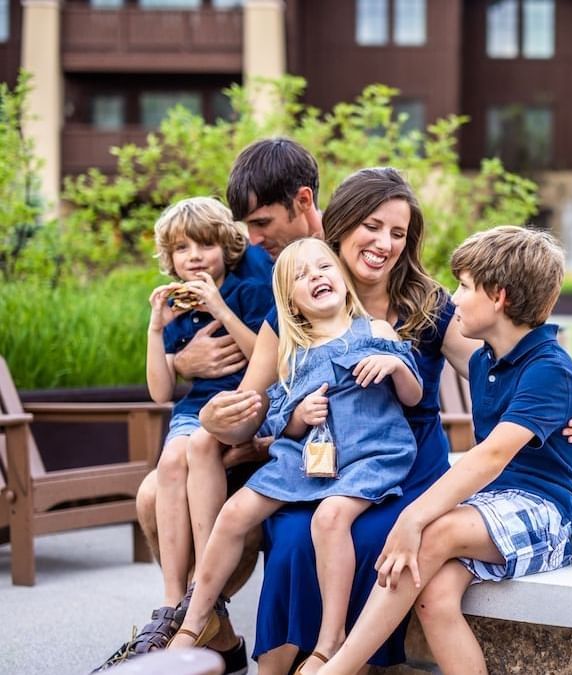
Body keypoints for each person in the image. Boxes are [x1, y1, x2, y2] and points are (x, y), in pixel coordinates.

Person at [199, 167, 572, 673]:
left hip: (403, 470)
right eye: (372, 226)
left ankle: (347, 660)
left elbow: (519, 363)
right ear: (343, 226)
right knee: (292, 541)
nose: (384, 243)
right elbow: (253, 408)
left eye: (398, 233)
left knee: (381, 537)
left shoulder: (432, 305)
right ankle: (288, 658)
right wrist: (225, 421)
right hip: (316, 468)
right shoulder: (299, 304)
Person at [315, 226, 572, 675]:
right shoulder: (486, 359)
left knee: (431, 532)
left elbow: (491, 456)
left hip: (551, 512)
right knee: (434, 599)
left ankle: (337, 667)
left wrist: (412, 517)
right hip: (496, 504)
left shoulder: (548, 367)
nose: (454, 298)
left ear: (498, 296)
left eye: (464, 286)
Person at [98, 138, 324, 673]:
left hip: (279, 430)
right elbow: (170, 384)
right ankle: (189, 613)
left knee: (188, 469)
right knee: (154, 488)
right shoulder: (194, 294)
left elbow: (264, 364)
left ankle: (196, 611)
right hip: (220, 417)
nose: (253, 238)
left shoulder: (278, 274)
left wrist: (251, 425)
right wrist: (177, 358)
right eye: (181, 251)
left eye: (261, 223)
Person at [170, 238, 424, 675]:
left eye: (323, 267)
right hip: (308, 456)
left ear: (343, 281)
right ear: (291, 300)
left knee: (329, 519)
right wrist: (298, 419)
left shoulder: (376, 331)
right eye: (302, 276)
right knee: (234, 513)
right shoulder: (292, 353)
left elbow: (413, 395)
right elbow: (277, 422)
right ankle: (194, 620)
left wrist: (397, 368)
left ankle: (330, 641)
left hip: (371, 454)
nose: (316, 277)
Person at [94, 199, 274, 672]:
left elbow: (267, 360)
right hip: (192, 410)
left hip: (241, 408)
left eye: (205, 245)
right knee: (171, 462)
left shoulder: (248, 289)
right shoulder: (177, 304)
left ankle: (199, 597)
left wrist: (220, 307)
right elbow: (160, 392)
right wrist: (158, 333)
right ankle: (176, 601)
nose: (193, 256)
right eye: (181, 248)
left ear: (226, 248)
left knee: (196, 451)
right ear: (169, 256)